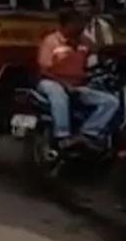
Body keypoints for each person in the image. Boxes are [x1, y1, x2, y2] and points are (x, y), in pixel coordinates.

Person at [35, 8, 121, 150]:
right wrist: (64, 84)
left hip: (77, 85)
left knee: (110, 101)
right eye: (77, 25)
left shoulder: (82, 41)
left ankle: (88, 133)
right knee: (59, 95)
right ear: (66, 25)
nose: (81, 28)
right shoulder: (51, 41)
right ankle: (62, 135)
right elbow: (44, 70)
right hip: (51, 82)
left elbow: (99, 52)